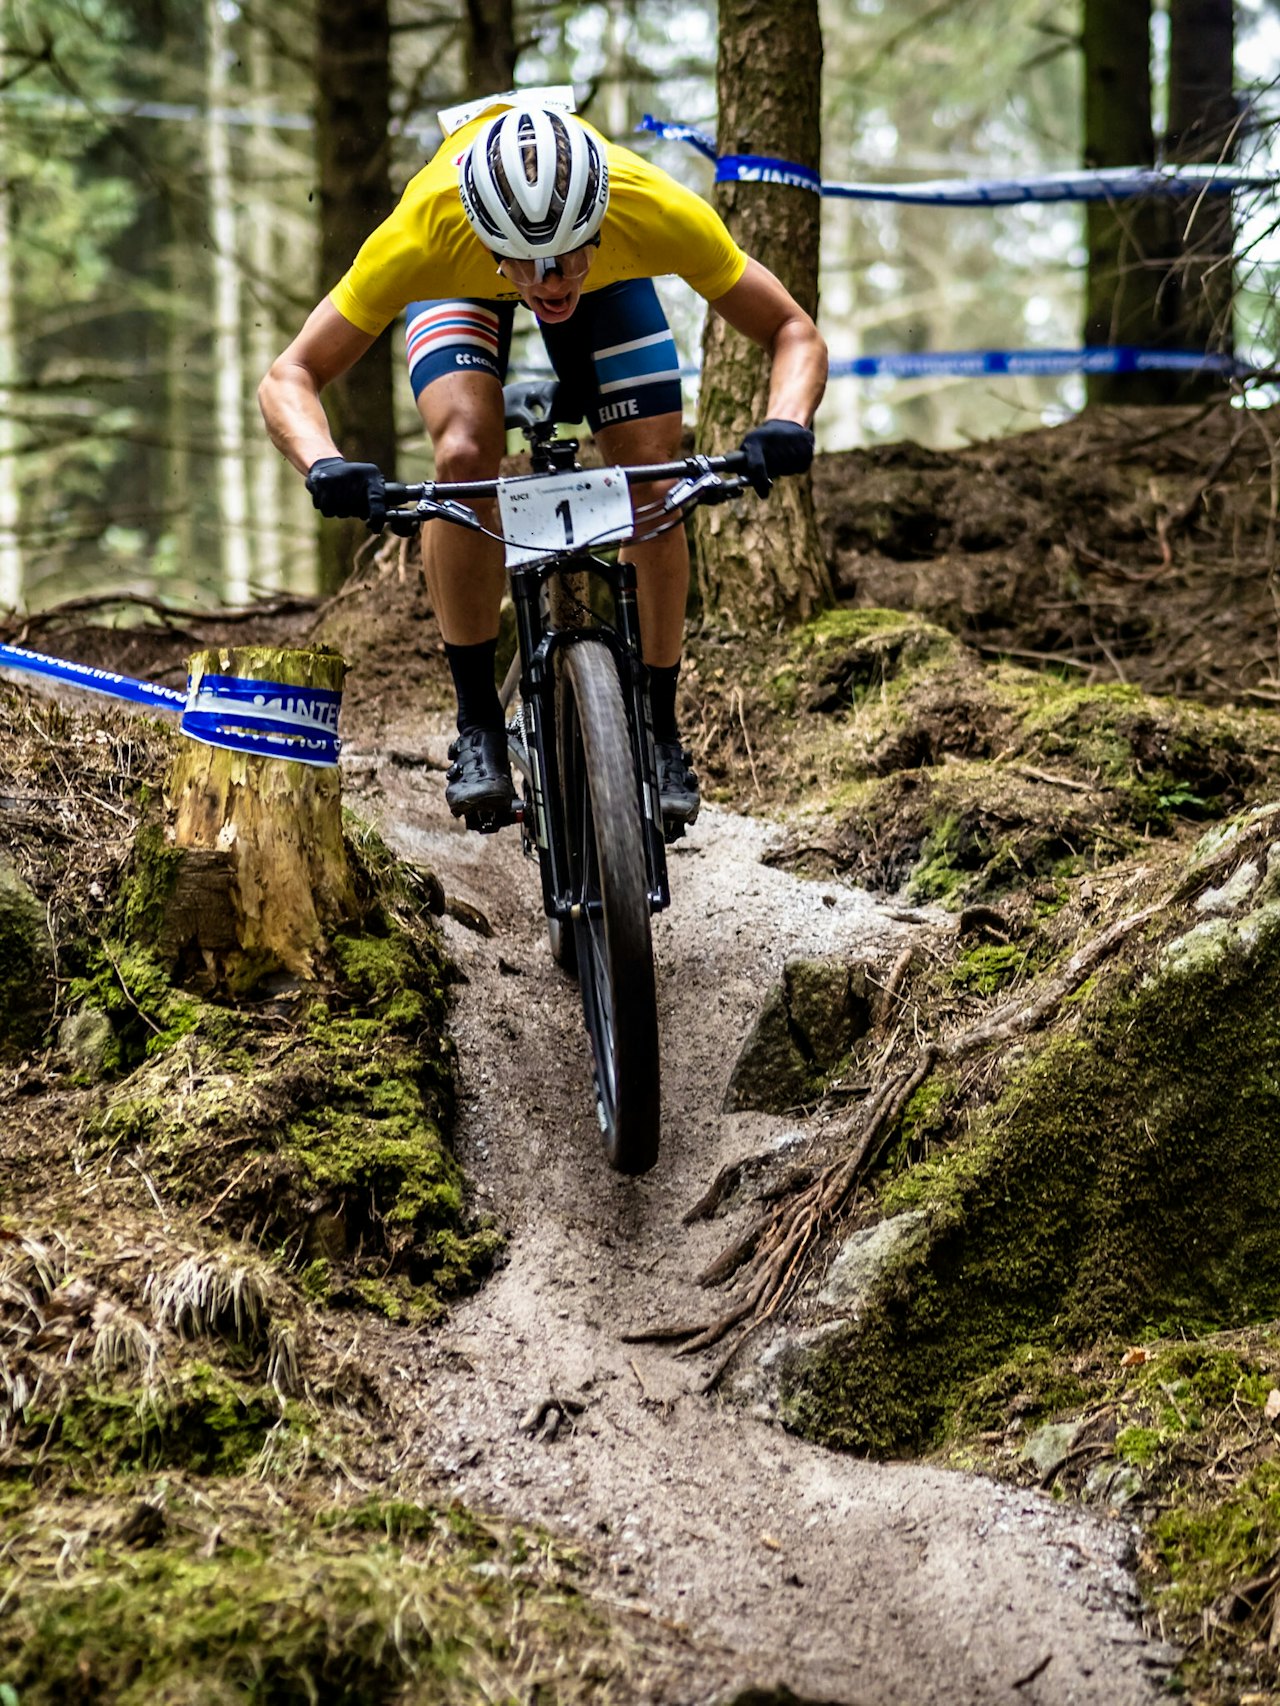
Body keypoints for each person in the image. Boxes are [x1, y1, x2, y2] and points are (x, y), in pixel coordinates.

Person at [259, 93, 827, 830]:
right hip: (462, 276)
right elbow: (289, 377)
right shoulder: (426, 230)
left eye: (562, 260)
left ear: (596, 222)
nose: (545, 284)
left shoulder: (649, 207)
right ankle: (479, 729)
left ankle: (659, 730)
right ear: (489, 238)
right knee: (464, 454)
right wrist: (323, 463)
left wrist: (785, 421)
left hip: (614, 280)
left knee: (651, 473)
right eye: (523, 265)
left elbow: (792, 328)